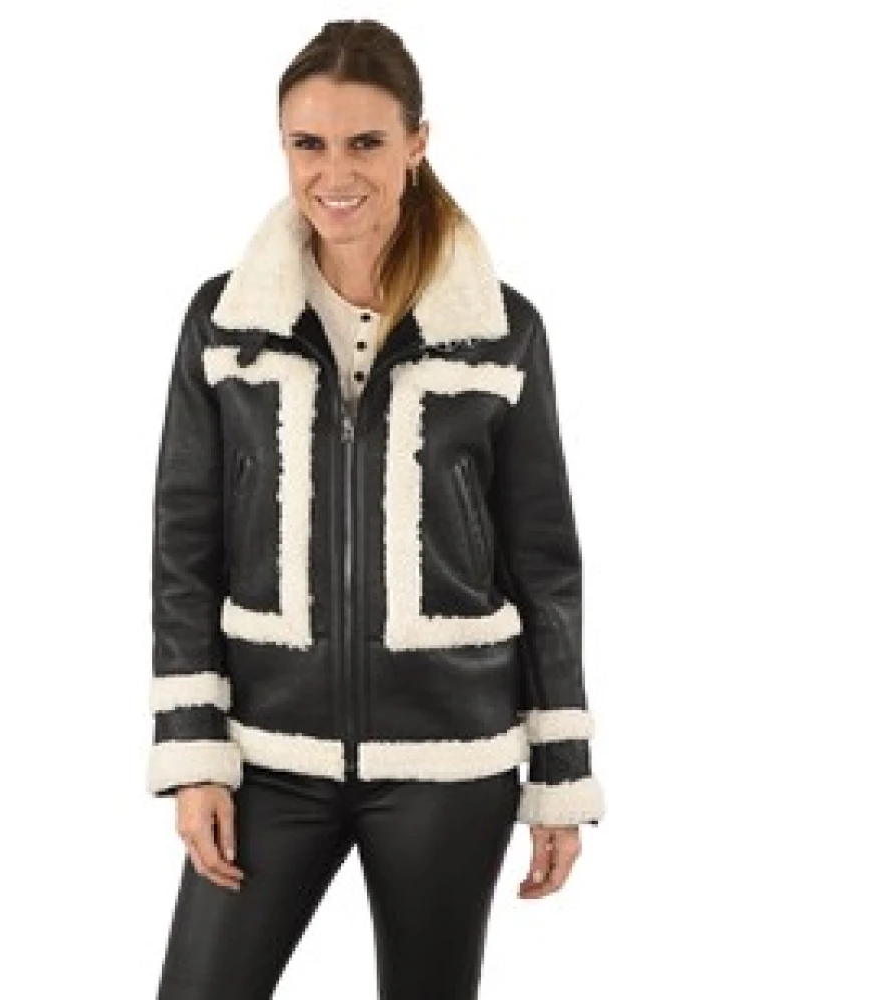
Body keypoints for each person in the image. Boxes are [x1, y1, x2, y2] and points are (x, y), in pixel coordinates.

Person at [148, 18, 605, 999]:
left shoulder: (500, 329)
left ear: (416, 143)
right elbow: (184, 549)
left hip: (452, 759)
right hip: (268, 757)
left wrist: (560, 771)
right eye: (307, 143)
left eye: (365, 141)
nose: (334, 172)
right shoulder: (225, 323)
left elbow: (544, 560)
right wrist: (194, 753)